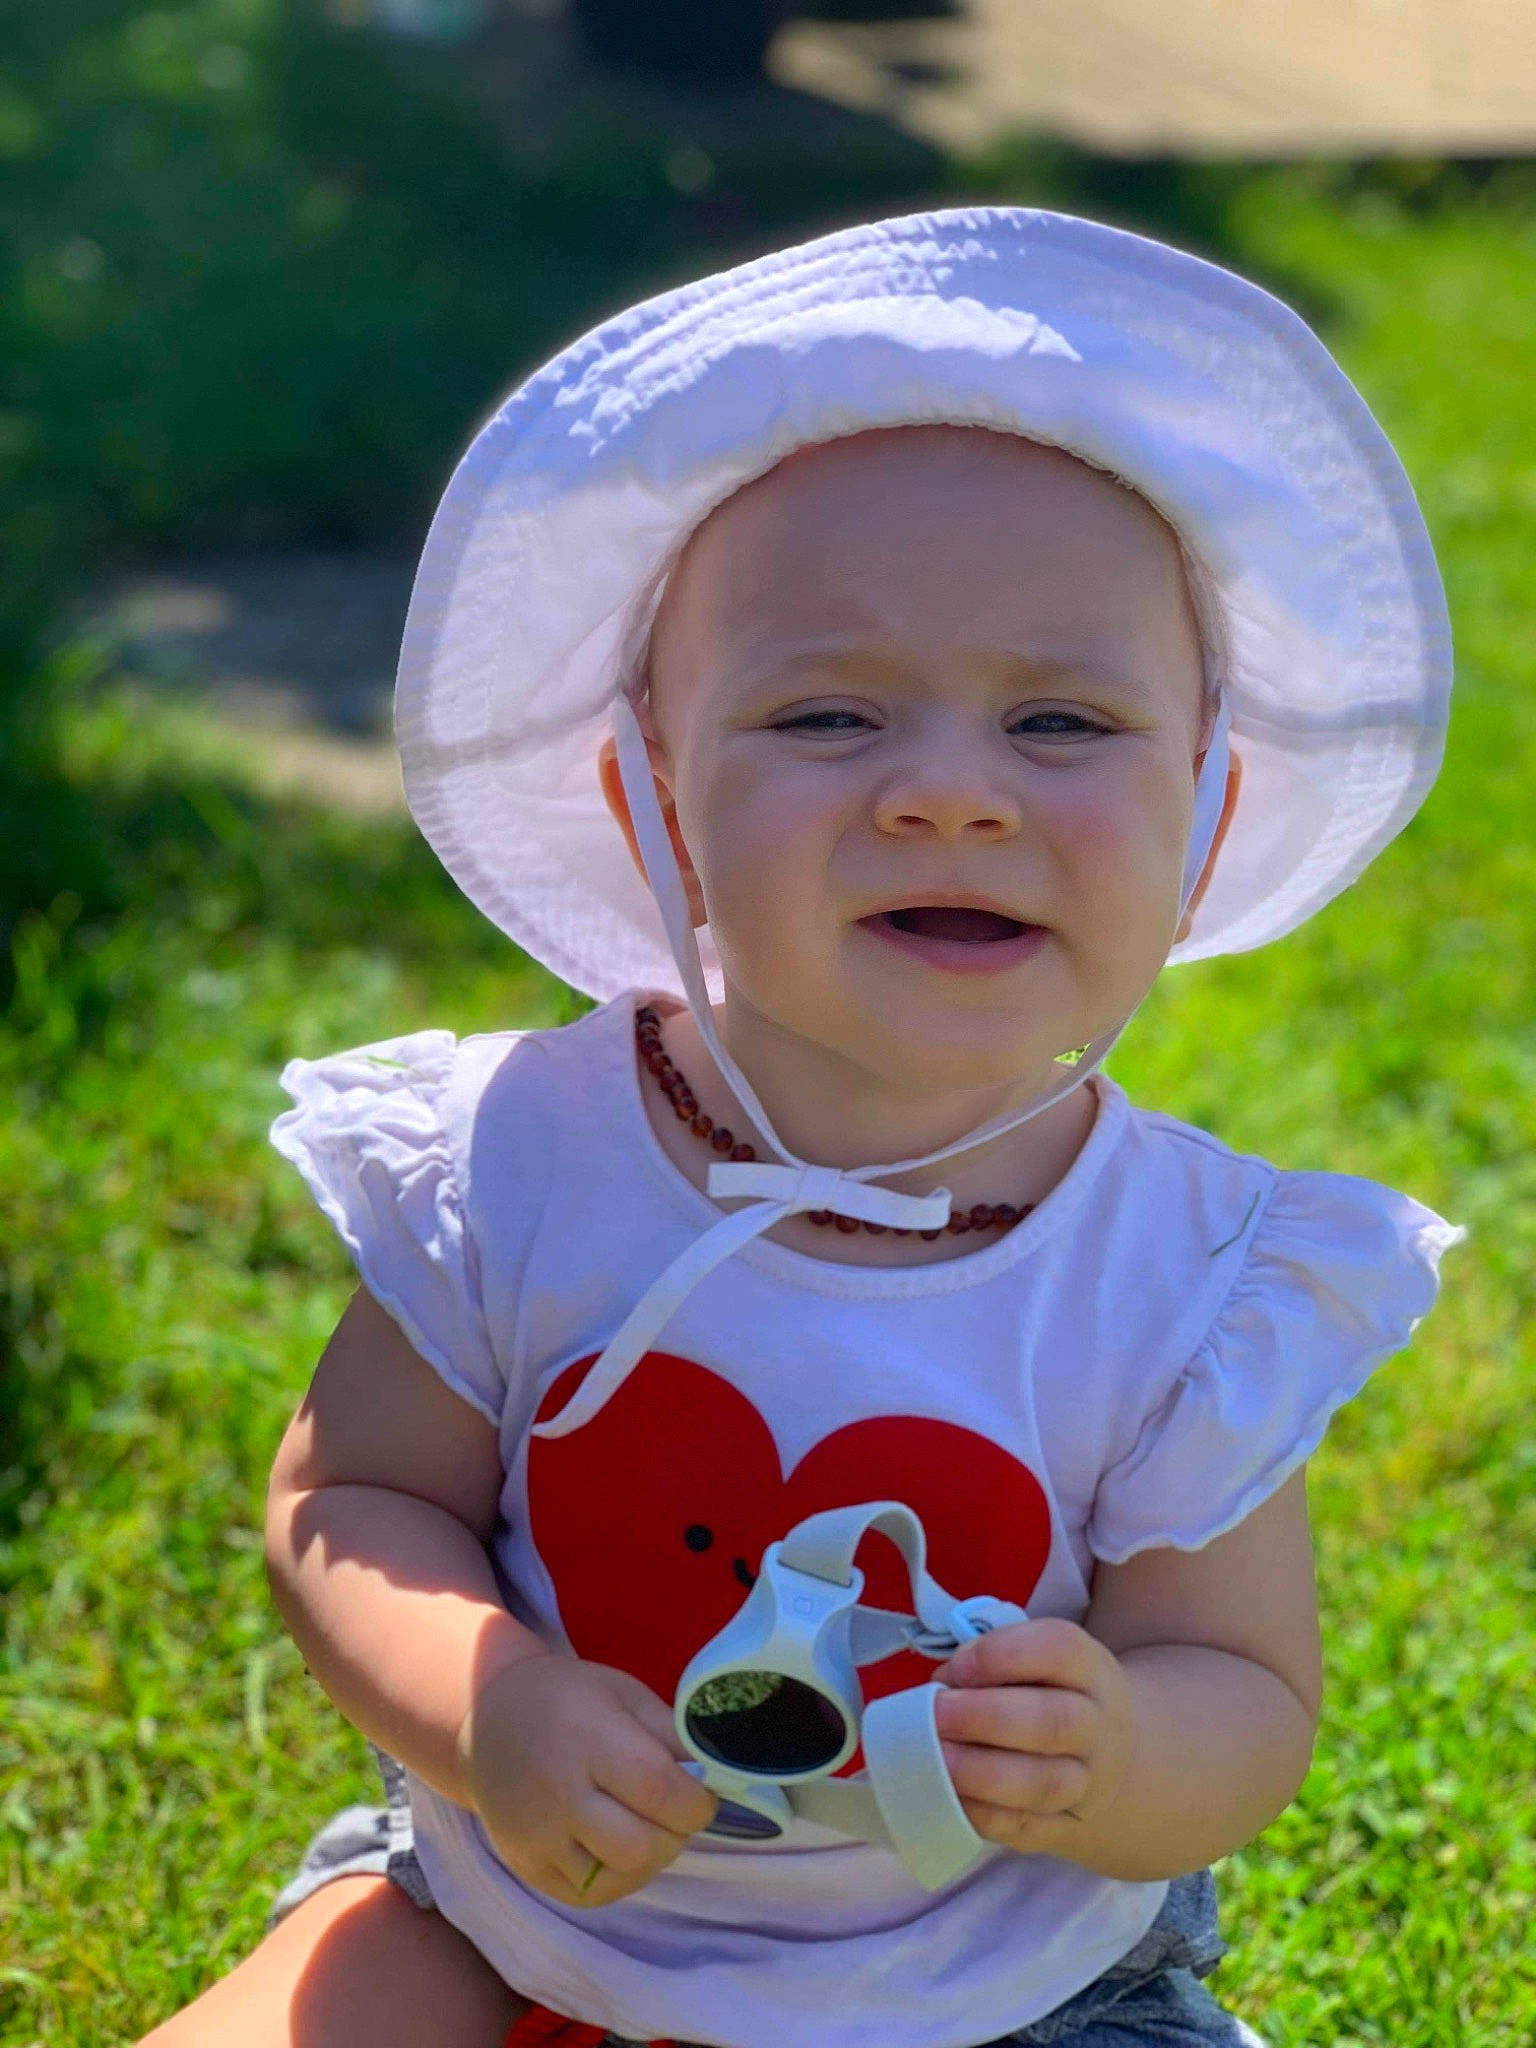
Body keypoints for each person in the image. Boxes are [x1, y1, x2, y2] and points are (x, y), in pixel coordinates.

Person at [140, 207, 1462, 2048]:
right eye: (829, 715)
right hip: (520, 1890)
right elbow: (349, 1499)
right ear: (655, 802)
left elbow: (1242, 1688)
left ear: (1206, 815)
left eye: (1062, 723)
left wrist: (1118, 1751)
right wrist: (490, 1704)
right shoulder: (523, 1155)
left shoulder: (1189, 1281)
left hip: (1000, 1978)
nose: (947, 796)